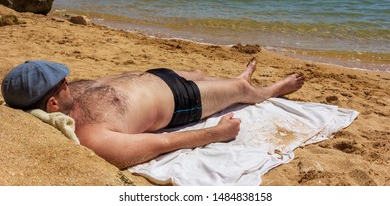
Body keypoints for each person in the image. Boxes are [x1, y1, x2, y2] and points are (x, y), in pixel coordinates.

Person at [1, 59, 304, 169]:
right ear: (52, 104)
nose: (68, 81)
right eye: (61, 82)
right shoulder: (90, 134)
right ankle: (270, 88)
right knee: (240, 91)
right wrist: (217, 133)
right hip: (182, 100)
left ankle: (237, 79)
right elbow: (161, 144)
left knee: (199, 71)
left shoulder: (63, 99)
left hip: (154, 76)